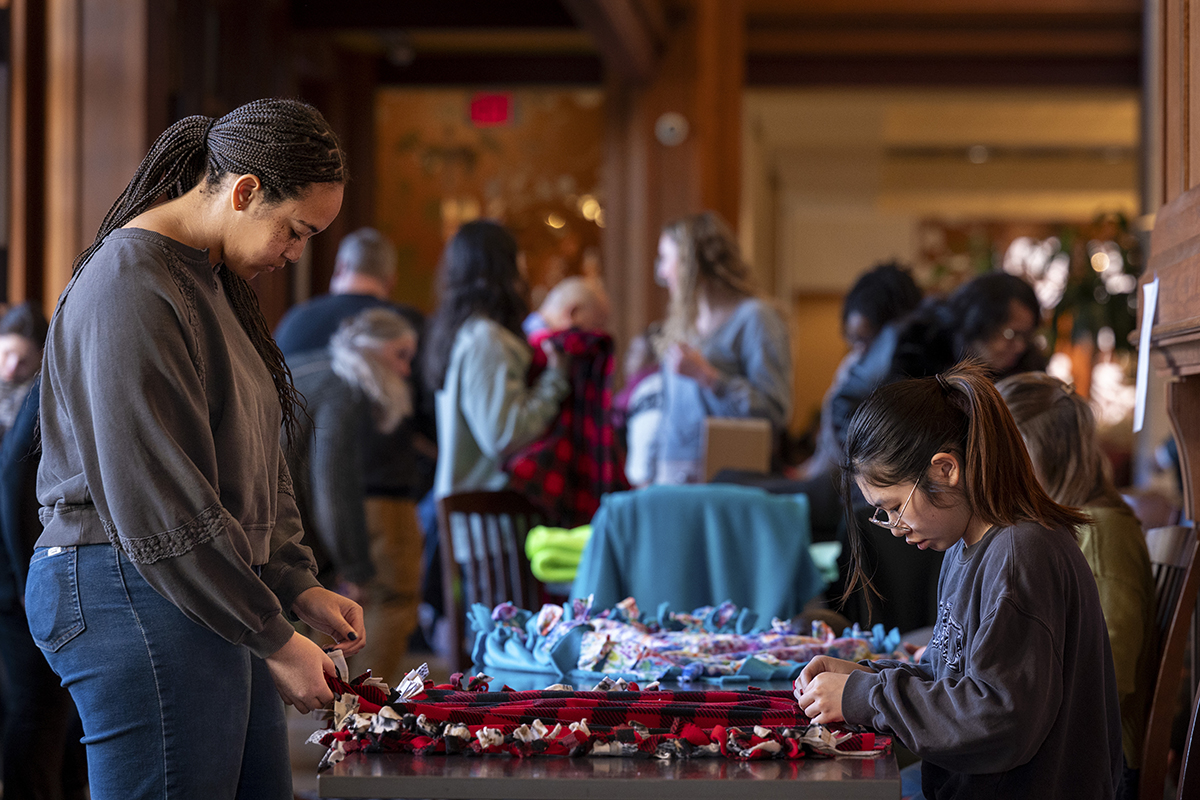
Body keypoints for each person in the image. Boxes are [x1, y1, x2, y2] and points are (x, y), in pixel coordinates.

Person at [25, 99, 363, 800]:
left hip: (195, 584)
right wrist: (274, 634)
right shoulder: (129, 282)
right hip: (127, 582)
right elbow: (160, 504)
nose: (295, 254)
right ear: (244, 192)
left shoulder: (211, 280)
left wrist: (295, 582)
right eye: (296, 231)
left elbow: (257, 459)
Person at [793, 362, 1122, 799]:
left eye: (894, 507)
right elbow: (950, 677)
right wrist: (862, 676)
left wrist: (865, 696)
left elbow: (999, 720)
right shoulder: (965, 546)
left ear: (945, 469)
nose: (894, 528)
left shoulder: (1021, 555)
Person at [997, 372, 1154, 800]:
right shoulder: (1062, 529)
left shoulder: (1099, 534)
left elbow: (1109, 678)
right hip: (1067, 750)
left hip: (1096, 764)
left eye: (1008, 453)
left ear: (1046, 457)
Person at [287, 307, 419, 686]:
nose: (405, 370)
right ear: (369, 347)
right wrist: (356, 568)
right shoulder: (343, 385)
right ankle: (360, 708)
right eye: (400, 355)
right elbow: (332, 484)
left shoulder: (314, 367)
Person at [425, 219, 570, 500]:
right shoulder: (486, 338)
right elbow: (504, 435)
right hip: (489, 511)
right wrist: (555, 376)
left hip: (472, 508)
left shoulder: (466, 331)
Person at [653, 211, 791, 484]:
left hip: (727, 481)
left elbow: (775, 412)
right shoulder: (683, 325)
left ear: (693, 262)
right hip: (673, 480)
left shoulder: (755, 318)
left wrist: (709, 377)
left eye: (667, 259)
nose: (661, 272)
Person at [0, 302, 47, 443]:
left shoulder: (39, 396)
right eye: (7, 354)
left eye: (23, 361)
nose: (12, 368)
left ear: (40, 358)